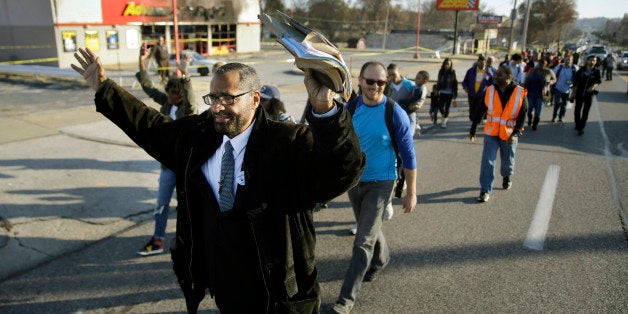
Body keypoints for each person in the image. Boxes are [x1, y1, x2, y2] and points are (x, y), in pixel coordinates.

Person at [71, 47, 365, 313]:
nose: (217, 107)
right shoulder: (198, 136)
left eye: (228, 98)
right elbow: (151, 127)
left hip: (279, 294)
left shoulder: (288, 143)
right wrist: (104, 88)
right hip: (225, 287)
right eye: (214, 97)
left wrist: (326, 109)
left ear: (254, 99)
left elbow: (342, 172)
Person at [332, 61, 417, 314]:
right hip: (355, 181)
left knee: (363, 240)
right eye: (370, 81)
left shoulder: (394, 113)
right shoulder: (351, 108)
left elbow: (409, 156)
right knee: (370, 228)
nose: (376, 86)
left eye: (381, 82)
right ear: (360, 80)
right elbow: (340, 142)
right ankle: (381, 259)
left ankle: (346, 299)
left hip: (382, 182)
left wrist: (411, 192)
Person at [134, 46, 197, 256]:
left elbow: (191, 100)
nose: (169, 98)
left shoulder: (186, 109)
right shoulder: (166, 102)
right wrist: (142, 61)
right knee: (161, 204)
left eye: (173, 95)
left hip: (185, 166)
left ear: (179, 95)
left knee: (186, 208)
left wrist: (185, 74)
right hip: (167, 166)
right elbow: (149, 88)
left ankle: (189, 241)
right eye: (168, 94)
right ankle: (157, 240)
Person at [470, 65, 528, 203]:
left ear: (509, 77)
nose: (496, 76)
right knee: (487, 161)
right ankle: (485, 190)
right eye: (496, 74)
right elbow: (481, 110)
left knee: (507, 161)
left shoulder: (520, 92)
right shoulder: (490, 90)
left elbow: (522, 116)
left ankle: (507, 176)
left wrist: (516, 134)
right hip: (492, 132)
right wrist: (473, 127)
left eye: (500, 75)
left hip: (509, 134)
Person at [570, 55, 601, 136]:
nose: (592, 62)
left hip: (589, 94)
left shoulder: (596, 71)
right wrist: (573, 94)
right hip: (580, 93)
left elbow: (598, 81)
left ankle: (581, 127)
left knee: (586, 111)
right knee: (577, 110)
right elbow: (575, 82)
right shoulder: (581, 70)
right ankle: (577, 124)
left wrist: (593, 86)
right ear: (587, 61)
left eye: (594, 60)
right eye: (590, 60)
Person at [523, 58, 556, 130]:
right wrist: (523, 90)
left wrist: (550, 82)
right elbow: (526, 79)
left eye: (543, 64)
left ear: (546, 64)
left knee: (538, 110)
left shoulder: (548, 72)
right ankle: (530, 119)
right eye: (540, 63)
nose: (541, 65)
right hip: (531, 93)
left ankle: (535, 124)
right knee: (529, 109)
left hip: (541, 94)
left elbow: (554, 79)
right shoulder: (532, 70)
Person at [386, 63, 418, 134]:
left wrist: (417, 105)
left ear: (399, 71)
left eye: (393, 74)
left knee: (407, 138)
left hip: (409, 117)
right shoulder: (387, 87)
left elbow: (418, 97)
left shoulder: (409, 84)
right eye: (389, 75)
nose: (391, 77)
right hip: (394, 118)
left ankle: (416, 125)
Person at [462, 54, 494, 121]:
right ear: (478, 62)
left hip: (482, 95)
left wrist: (489, 93)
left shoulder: (489, 73)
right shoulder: (471, 71)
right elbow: (465, 81)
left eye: (483, 64)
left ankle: (476, 122)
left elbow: (492, 84)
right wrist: (465, 87)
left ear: (486, 63)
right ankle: (473, 119)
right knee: (472, 111)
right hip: (471, 94)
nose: (482, 65)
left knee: (478, 111)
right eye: (480, 63)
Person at [552, 55, 578, 123]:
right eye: (567, 59)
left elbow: (578, 78)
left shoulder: (574, 68)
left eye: (569, 59)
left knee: (564, 104)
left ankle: (561, 117)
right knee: (558, 102)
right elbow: (552, 75)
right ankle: (554, 116)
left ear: (572, 60)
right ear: (564, 59)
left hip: (568, 89)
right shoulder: (559, 67)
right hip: (558, 88)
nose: (568, 61)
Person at [435, 58, 458, 128]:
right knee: (440, 106)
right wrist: (436, 89)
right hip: (442, 92)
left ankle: (444, 121)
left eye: (448, 64)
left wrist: (455, 92)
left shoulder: (452, 72)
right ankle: (444, 115)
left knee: (447, 107)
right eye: (446, 64)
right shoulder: (441, 72)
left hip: (450, 93)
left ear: (450, 65)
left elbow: (455, 82)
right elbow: (438, 81)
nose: (447, 65)